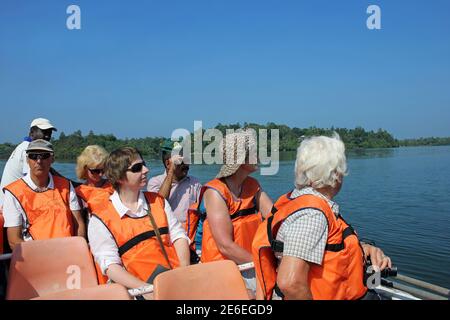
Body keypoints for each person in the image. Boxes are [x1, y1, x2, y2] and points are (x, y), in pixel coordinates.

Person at [252, 133, 392, 300]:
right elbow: (290, 283)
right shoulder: (312, 215)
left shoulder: (300, 201)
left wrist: (365, 249)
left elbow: (328, 246)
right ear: (335, 174)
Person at [87, 147, 190, 298]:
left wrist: (183, 271)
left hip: (176, 281)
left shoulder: (158, 202)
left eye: (144, 164)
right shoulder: (100, 220)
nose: (146, 170)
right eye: (137, 168)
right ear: (120, 177)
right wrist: (147, 289)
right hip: (139, 292)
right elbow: (110, 266)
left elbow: (179, 236)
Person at [193, 130, 273, 297]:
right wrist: (264, 263)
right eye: (254, 151)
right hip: (225, 269)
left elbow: (275, 217)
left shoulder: (252, 185)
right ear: (242, 160)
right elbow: (225, 246)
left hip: (250, 263)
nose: (258, 155)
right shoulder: (215, 193)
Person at [2, 139, 85, 250]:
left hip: (67, 253)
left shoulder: (66, 186)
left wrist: (78, 250)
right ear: (27, 160)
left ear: (52, 159)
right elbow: (14, 240)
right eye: (33, 156)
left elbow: (78, 224)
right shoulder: (13, 192)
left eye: (44, 156)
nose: (39, 161)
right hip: (35, 256)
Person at [0, 118, 57, 209]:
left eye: (49, 133)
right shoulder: (27, 149)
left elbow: (50, 171)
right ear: (31, 133)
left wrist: (71, 183)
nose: (47, 136)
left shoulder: (24, 146)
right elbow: (36, 179)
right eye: (44, 132)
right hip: (10, 203)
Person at [147, 140, 202, 224]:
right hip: (167, 232)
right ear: (168, 163)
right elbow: (158, 205)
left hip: (189, 233)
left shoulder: (194, 183)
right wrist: (171, 171)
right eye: (180, 161)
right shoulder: (155, 182)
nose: (186, 165)